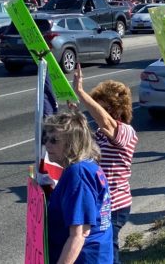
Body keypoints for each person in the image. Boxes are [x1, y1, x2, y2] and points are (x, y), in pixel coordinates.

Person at [71, 64, 138, 264]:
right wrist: (77, 117)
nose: (97, 112)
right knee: (100, 247)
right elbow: (83, 150)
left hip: (115, 204)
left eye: (101, 107)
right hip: (100, 202)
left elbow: (107, 123)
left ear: (115, 109)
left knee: (108, 248)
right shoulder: (101, 133)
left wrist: (80, 92)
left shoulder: (126, 132)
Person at [43, 111, 113, 263]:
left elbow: (79, 234)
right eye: (46, 138)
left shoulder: (78, 173)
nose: (47, 144)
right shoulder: (86, 167)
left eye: (55, 140)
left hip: (84, 258)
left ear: (72, 142)